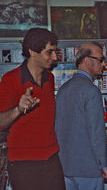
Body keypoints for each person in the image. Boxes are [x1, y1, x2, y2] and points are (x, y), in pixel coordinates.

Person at [0, 28, 65, 190]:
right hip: (24, 163)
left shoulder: (49, 78)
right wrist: (18, 109)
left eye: (55, 52)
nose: (55, 57)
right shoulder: (11, 80)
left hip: (51, 157)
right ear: (32, 52)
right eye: (49, 52)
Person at [55, 41, 107, 190]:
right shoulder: (91, 91)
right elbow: (97, 133)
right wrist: (104, 165)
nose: (103, 64)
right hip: (88, 169)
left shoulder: (63, 89)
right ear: (87, 61)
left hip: (65, 167)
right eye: (100, 60)